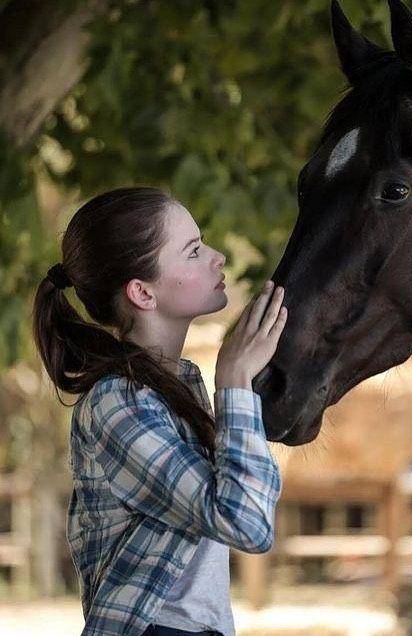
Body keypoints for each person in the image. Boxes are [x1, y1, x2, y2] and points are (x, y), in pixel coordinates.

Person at [31, 186, 287, 636]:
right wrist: (235, 381)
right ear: (143, 293)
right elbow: (246, 523)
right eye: (193, 251)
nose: (218, 257)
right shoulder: (117, 403)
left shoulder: (175, 387)